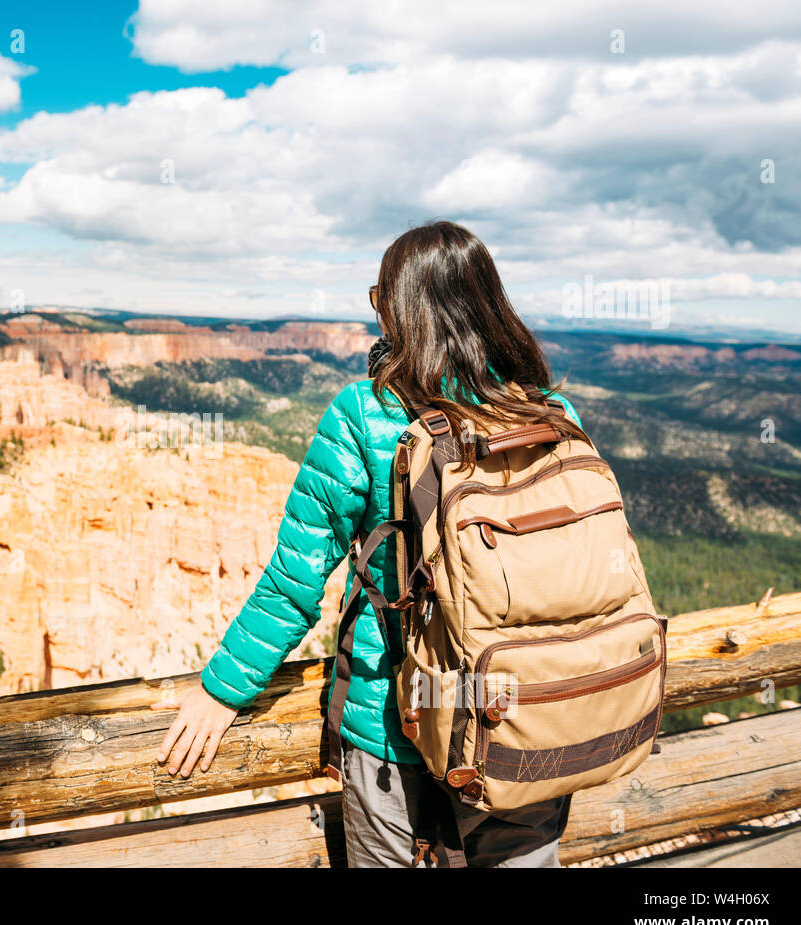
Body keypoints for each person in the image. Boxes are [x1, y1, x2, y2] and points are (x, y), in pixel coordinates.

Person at [155, 220, 585, 867]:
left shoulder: (364, 413)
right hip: (525, 714)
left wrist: (220, 689)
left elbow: (293, 583)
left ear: (400, 308)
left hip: (398, 722)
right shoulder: (549, 412)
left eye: (379, 297)